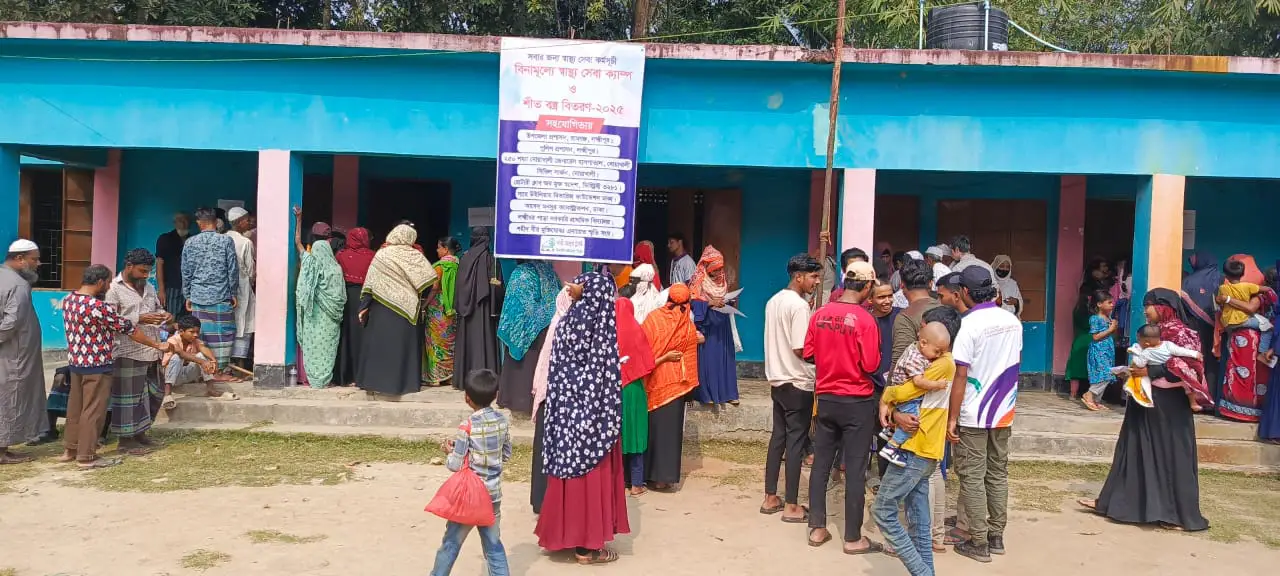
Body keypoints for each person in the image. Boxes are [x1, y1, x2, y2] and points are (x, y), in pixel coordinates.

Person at [1078, 288, 1209, 532]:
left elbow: (1191, 367)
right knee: (1133, 449)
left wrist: (1151, 371)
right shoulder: (1152, 332)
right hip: (1144, 399)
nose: (1145, 311)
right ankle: (1115, 503)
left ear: (1162, 306)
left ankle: (1174, 515)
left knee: (1170, 454)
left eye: (1148, 305)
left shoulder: (1182, 333)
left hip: (1170, 405)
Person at [534, 271, 630, 565]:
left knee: (567, 480)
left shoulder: (565, 324)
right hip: (594, 423)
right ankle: (587, 548)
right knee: (591, 478)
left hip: (564, 421)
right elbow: (605, 381)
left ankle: (563, 536)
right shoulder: (601, 331)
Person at [803, 260, 883, 554]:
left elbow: (808, 353)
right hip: (857, 401)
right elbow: (871, 364)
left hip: (826, 398)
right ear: (867, 286)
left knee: (821, 464)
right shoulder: (865, 320)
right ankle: (852, 537)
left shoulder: (820, 314)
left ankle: (817, 528)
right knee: (856, 469)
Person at [946, 266, 1022, 563]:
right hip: (1003, 410)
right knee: (998, 472)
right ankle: (996, 535)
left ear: (965, 292)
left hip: (973, 412)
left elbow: (960, 375)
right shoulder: (1011, 321)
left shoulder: (968, 325)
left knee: (972, 475)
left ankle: (978, 541)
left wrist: (952, 418)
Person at [61, 265, 169, 469]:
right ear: (100, 282)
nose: (109, 286)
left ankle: (70, 449)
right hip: (97, 365)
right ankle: (86, 456)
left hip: (76, 363)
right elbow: (129, 329)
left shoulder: (69, 300)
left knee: (75, 408)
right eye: (107, 282)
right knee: (93, 411)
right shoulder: (98, 307)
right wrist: (157, 344)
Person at [875, 321, 956, 576]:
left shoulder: (943, 363)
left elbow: (905, 391)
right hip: (926, 449)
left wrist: (887, 397)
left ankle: (922, 572)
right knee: (919, 522)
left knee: (882, 511)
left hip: (915, 448)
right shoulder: (935, 358)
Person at [429, 369, 511, 576]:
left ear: (467, 398)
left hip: (469, 497)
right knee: (493, 545)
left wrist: (450, 451)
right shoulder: (502, 421)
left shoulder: (467, 426)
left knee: (451, 543)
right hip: (493, 495)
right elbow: (506, 454)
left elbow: (455, 465)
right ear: (495, 395)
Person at [761, 255, 820, 522]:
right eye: (813, 277)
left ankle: (771, 496)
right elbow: (800, 348)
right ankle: (792, 505)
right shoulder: (798, 306)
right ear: (799, 276)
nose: (816, 282)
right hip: (797, 380)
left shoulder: (774, 301)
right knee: (795, 443)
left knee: (779, 438)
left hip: (778, 379)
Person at [105, 249, 171, 453]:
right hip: (127, 350)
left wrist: (164, 315)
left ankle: (141, 433)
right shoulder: (113, 290)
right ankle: (126, 441)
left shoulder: (149, 287)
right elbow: (108, 320)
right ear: (129, 266)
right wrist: (139, 319)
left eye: (148, 272)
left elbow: (156, 309)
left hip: (152, 349)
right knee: (129, 398)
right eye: (142, 271)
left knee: (153, 394)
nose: (145, 275)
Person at [358, 224, 437, 396]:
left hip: (382, 308)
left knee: (382, 347)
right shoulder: (415, 256)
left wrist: (363, 306)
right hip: (407, 309)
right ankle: (406, 384)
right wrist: (417, 295)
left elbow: (371, 282)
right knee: (402, 347)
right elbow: (430, 281)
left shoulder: (382, 254)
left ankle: (376, 383)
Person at [642, 283, 700, 491]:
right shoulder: (687, 324)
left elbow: (643, 349)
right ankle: (665, 478)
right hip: (677, 385)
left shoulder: (652, 319)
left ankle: (649, 474)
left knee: (653, 429)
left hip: (655, 382)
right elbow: (691, 355)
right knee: (671, 432)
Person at [879, 323, 953, 468]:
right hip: (905, 395)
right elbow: (918, 382)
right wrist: (937, 385)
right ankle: (891, 448)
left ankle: (890, 431)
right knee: (912, 423)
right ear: (923, 343)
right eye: (937, 352)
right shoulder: (916, 359)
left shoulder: (914, 348)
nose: (938, 356)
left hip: (898, 392)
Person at [0, 240, 46, 463]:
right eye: (34, 259)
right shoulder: (18, 284)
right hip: (14, 355)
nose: (38, 263)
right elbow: (11, 322)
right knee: (11, 398)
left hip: (10, 353)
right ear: (19, 259)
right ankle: (2, 451)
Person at [497, 260, 561, 414]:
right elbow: (557, 296)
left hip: (522, 327)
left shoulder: (520, 273)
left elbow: (513, 304)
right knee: (538, 364)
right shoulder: (549, 271)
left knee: (521, 366)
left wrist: (518, 325)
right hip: (545, 328)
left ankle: (515, 400)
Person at [529, 287, 573, 514]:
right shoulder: (567, 326)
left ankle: (542, 501)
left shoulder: (556, 323)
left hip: (549, 396)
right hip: (559, 399)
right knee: (556, 450)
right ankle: (551, 503)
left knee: (545, 449)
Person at [181, 207, 240, 372]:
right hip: (221, 296)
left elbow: (186, 271)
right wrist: (233, 292)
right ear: (216, 222)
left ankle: (205, 370)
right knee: (223, 335)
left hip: (198, 296)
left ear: (199, 223)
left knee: (200, 334)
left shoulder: (190, 242)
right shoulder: (226, 241)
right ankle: (219, 370)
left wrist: (188, 295)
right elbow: (232, 269)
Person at [1216, 255, 1271, 421]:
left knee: (1246, 375)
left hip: (1246, 340)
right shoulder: (1251, 289)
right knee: (1241, 373)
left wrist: (1227, 299)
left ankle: (1241, 411)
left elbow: (1249, 308)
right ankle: (1235, 409)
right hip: (1247, 340)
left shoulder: (1232, 290)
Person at [616, 289, 657, 496]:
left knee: (618, 435)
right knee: (636, 433)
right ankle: (636, 484)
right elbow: (648, 362)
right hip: (635, 389)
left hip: (614, 390)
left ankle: (618, 482)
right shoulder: (637, 330)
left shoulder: (607, 332)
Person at [690, 245, 738, 406]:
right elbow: (692, 302)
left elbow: (723, 296)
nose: (718, 273)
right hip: (707, 324)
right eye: (715, 269)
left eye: (720, 269)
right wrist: (710, 303)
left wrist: (728, 302)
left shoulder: (722, 280)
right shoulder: (698, 280)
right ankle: (707, 394)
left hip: (722, 323)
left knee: (724, 357)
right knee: (709, 359)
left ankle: (727, 393)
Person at [455, 227, 503, 389]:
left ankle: (464, 379)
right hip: (485, 309)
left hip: (467, 311)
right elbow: (496, 284)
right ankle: (487, 380)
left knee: (468, 342)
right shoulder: (490, 259)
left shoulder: (464, 258)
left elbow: (459, 286)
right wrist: (497, 303)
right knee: (485, 341)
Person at [296, 240, 346, 389]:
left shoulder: (312, 267)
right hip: (331, 318)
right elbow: (340, 295)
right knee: (328, 347)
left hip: (313, 315)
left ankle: (314, 379)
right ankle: (324, 379)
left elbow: (303, 253)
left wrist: (298, 241)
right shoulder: (336, 269)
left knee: (313, 345)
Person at [1124, 324, 1203, 409]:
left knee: (1144, 382)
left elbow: (1140, 364)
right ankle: (1193, 403)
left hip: (1159, 382)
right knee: (1187, 384)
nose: (1138, 342)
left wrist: (1135, 354)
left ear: (1147, 343)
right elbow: (1181, 351)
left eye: (1139, 340)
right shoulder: (1168, 345)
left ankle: (1144, 398)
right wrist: (1195, 354)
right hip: (1173, 379)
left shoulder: (1147, 352)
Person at [335, 227, 375, 387]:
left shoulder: (341, 255)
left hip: (345, 298)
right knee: (362, 337)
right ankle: (362, 376)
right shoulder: (372, 256)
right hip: (365, 299)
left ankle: (344, 376)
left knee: (345, 335)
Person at [424, 236, 461, 387]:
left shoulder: (439, 267)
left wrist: (424, 304)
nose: (437, 250)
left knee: (435, 343)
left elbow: (434, 288)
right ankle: (449, 376)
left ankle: (435, 377)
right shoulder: (459, 265)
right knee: (449, 343)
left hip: (438, 309)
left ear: (445, 249)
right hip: (452, 308)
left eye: (439, 247)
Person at [1182, 250, 1222, 389]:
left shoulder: (1188, 281)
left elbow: (1182, 305)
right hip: (1218, 327)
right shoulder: (1222, 279)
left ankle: (1196, 394)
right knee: (1214, 361)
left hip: (1193, 326)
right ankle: (1212, 394)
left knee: (1195, 359)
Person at [223, 207, 256, 369]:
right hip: (242, 289)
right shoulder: (245, 242)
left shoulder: (221, 239)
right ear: (241, 222)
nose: (250, 223)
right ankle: (240, 365)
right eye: (247, 220)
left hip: (223, 289)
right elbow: (251, 271)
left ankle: (227, 362)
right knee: (243, 325)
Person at [163, 315, 221, 398]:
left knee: (201, 355)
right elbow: (181, 354)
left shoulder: (195, 341)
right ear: (181, 331)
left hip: (188, 375)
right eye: (192, 332)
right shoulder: (172, 340)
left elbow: (203, 347)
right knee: (177, 357)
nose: (195, 335)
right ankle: (167, 393)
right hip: (173, 377)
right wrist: (203, 362)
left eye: (197, 332)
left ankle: (210, 388)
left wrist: (213, 360)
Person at [1083, 291, 1119, 411]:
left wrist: (1114, 328)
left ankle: (1096, 400)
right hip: (1098, 351)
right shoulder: (1095, 319)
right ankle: (1089, 394)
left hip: (1108, 351)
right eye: (1109, 302)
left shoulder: (1109, 318)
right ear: (1099, 304)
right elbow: (1095, 337)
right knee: (1104, 374)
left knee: (1107, 374)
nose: (1112, 305)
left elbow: (1111, 335)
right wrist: (1110, 329)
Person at [155, 212, 191, 318]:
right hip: (172, 287)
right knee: (171, 318)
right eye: (180, 221)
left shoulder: (193, 240)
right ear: (175, 223)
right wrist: (161, 289)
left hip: (191, 288)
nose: (183, 224)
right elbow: (159, 263)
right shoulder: (165, 239)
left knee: (189, 320)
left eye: (185, 221)